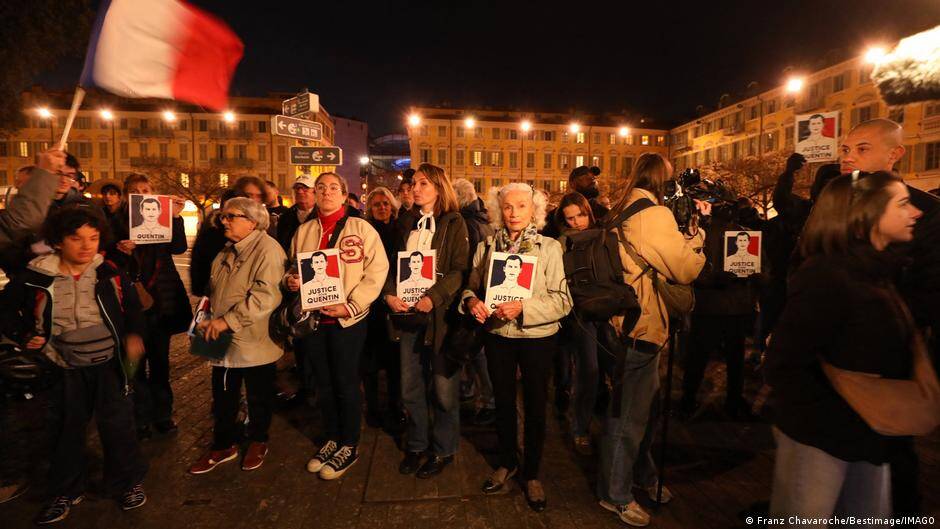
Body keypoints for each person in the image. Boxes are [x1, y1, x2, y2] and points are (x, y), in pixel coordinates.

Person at [764, 171, 926, 524]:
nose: (916, 212)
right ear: (865, 213)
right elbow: (784, 364)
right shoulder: (828, 276)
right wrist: (836, 412)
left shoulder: (879, 271)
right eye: (902, 203)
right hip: (822, 441)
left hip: (870, 435)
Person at [0, 206, 148, 524]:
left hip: (108, 365)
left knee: (118, 428)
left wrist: (133, 336)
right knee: (64, 431)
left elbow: (133, 309)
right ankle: (65, 490)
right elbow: (5, 309)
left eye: (93, 238)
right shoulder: (36, 276)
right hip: (61, 367)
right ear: (57, 241)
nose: (86, 246)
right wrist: (25, 335)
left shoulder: (110, 272)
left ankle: (127, 484)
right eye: (75, 238)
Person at [596, 153, 708, 527]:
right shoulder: (654, 214)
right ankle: (615, 494)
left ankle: (642, 476)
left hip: (619, 320)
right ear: (662, 179)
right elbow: (686, 268)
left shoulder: (622, 208)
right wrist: (696, 238)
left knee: (638, 411)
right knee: (628, 417)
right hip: (641, 326)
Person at [838, 118, 940, 522]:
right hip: (834, 349)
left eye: (861, 148)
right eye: (846, 149)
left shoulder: (925, 212)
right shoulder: (834, 200)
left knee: (891, 451)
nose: (848, 157)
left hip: (888, 355)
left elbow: (930, 289)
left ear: (895, 153)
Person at [461, 182, 572, 512]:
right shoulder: (488, 245)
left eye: (521, 206)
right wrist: (472, 304)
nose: (514, 213)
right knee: (504, 402)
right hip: (499, 336)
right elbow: (471, 288)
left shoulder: (549, 247)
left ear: (533, 210)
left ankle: (533, 472)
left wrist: (525, 307)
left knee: (537, 404)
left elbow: (563, 300)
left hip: (538, 337)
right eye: (508, 207)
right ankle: (507, 461)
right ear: (499, 210)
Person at [287, 172, 388, 480]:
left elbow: (377, 270)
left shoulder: (361, 228)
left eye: (334, 187)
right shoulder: (304, 231)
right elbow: (292, 266)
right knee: (323, 381)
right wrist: (290, 281)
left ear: (345, 195)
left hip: (347, 320)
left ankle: (349, 443)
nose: (327, 192)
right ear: (314, 194)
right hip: (315, 320)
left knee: (345, 381)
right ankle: (331, 436)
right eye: (321, 188)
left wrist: (352, 304)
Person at [188, 198, 287, 474]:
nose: (224, 221)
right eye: (223, 217)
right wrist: (206, 319)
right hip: (220, 336)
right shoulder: (225, 251)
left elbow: (265, 297)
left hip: (254, 338)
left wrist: (227, 321)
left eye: (231, 216)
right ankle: (223, 444)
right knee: (222, 396)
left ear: (252, 222)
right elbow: (213, 290)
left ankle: (258, 440)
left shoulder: (268, 250)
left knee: (258, 396)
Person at [383, 163, 469, 479]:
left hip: (440, 319)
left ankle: (444, 449)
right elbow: (392, 266)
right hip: (407, 318)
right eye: (414, 183)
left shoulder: (454, 222)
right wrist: (390, 294)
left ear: (438, 187)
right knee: (410, 387)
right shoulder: (405, 222)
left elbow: (460, 269)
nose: (416, 188)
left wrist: (434, 296)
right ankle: (417, 445)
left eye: (423, 183)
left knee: (444, 390)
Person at [106, 173, 191, 440]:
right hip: (133, 302)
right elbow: (107, 258)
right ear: (128, 196)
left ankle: (163, 415)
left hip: (162, 300)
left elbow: (178, 247)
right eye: (135, 191)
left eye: (146, 189)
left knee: (160, 363)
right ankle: (139, 417)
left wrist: (176, 217)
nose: (142, 193)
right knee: (134, 364)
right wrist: (121, 250)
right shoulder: (117, 222)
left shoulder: (164, 217)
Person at [680, 207, 761, 420]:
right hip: (725, 306)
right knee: (731, 359)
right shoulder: (738, 233)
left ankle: (689, 400)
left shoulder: (700, 233)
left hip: (715, 306)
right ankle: (731, 402)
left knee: (700, 357)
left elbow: (690, 269)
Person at [555, 192, 605, 455]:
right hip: (579, 312)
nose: (576, 222)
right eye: (570, 218)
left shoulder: (604, 234)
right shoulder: (564, 242)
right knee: (589, 370)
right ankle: (580, 426)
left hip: (607, 308)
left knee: (604, 369)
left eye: (580, 215)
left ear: (589, 212)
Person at [452, 178, 497, 426]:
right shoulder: (482, 220)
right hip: (478, 293)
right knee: (475, 350)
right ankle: (475, 394)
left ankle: (486, 399)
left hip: (471, 294)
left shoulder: (465, 223)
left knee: (475, 350)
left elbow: (466, 263)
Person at [362, 186, 404, 430]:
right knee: (368, 362)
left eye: (385, 203)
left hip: (393, 302)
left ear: (392, 207)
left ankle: (395, 406)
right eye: (376, 204)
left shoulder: (400, 231)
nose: (381, 207)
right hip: (370, 304)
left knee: (394, 361)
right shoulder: (364, 231)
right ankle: (373, 407)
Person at [0, 150, 62, 253]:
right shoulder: (18, 206)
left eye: (23, 183)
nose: (17, 186)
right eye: (17, 182)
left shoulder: (54, 210)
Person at [190, 188, 247, 298]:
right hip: (215, 294)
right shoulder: (211, 233)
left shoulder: (256, 237)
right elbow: (199, 261)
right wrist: (202, 290)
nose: (227, 219)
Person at [276, 174, 316, 254]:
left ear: (315, 191)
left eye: (305, 188)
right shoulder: (285, 217)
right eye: (297, 188)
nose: (300, 191)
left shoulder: (323, 215)